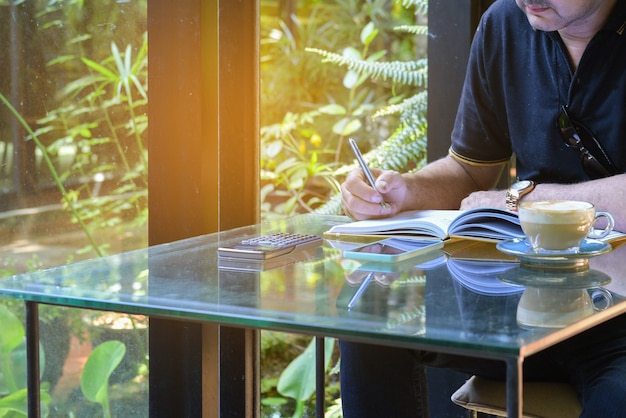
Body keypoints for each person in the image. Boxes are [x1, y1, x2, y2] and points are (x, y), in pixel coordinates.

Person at [339, 0, 626, 417]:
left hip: (617, 323)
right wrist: (405, 190)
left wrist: (521, 202)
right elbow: (470, 171)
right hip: (522, 304)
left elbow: (502, 198)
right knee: (369, 328)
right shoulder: (506, 24)